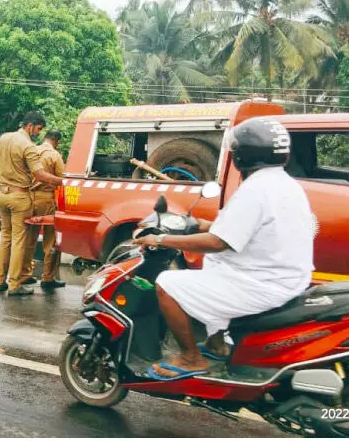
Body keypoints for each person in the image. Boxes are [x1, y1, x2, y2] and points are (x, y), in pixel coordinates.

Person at [134, 117, 314, 381]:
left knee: (167, 283)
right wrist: (206, 224)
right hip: (287, 278)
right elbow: (252, 228)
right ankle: (217, 344)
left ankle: (190, 358)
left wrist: (161, 240)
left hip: (264, 284)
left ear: (243, 155)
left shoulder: (255, 189)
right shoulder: (285, 184)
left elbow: (218, 243)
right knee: (216, 268)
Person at [0, 111, 65, 296]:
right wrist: (61, 181)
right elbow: (40, 174)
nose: (38, 133)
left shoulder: (3, 138)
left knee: (6, 237)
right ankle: (14, 284)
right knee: (18, 241)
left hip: (3, 196)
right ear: (30, 126)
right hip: (20, 198)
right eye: (38, 129)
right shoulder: (27, 145)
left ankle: (0, 281)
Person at [19, 130, 66, 291]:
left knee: (28, 239)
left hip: (28, 199)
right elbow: (62, 180)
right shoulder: (54, 156)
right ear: (56, 141)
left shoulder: (31, 151)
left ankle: (24, 275)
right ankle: (48, 277)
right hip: (46, 199)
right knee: (50, 239)